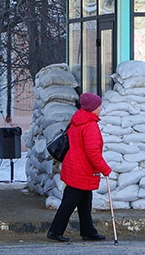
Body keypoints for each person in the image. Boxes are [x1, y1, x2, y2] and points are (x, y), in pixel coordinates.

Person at [47, 92, 112, 242]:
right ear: (92, 108)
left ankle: (88, 230)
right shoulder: (90, 126)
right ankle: (55, 231)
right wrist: (105, 169)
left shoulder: (78, 120)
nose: (101, 108)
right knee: (70, 202)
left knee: (84, 201)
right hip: (81, 169)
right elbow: (93, 152)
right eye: (99, 106)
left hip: (75, 166)